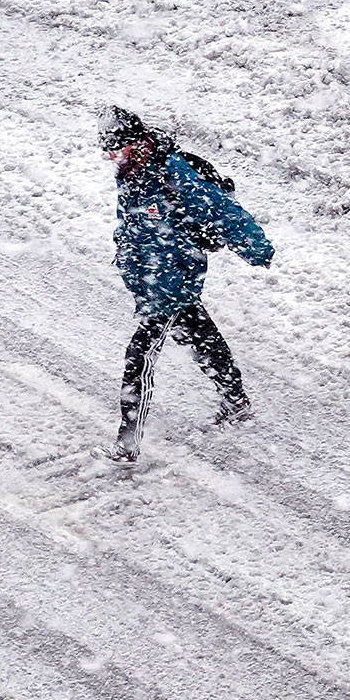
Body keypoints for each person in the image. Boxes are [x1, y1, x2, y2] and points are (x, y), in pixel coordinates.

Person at [101, 106, 273, 461]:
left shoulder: (171, 173)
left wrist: (256, 248)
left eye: (118, 151)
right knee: (202, 337)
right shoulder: (132, 173)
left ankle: (127, 445)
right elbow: (132, 224)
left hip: (170, 283)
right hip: (154, 281)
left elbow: (221, 211)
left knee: (140, 356)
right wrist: (126, 257)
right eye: (108, 153)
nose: (113, 159)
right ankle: (236, 402)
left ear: (138, 143)